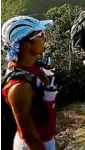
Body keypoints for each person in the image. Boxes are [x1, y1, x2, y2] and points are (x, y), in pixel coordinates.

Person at [1, 16, 56, 150]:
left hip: (45, 139)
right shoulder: (20, 86)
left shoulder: (32, 68)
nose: (45, 39)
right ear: (26, 44)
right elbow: (28, 134)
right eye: (41, 35)